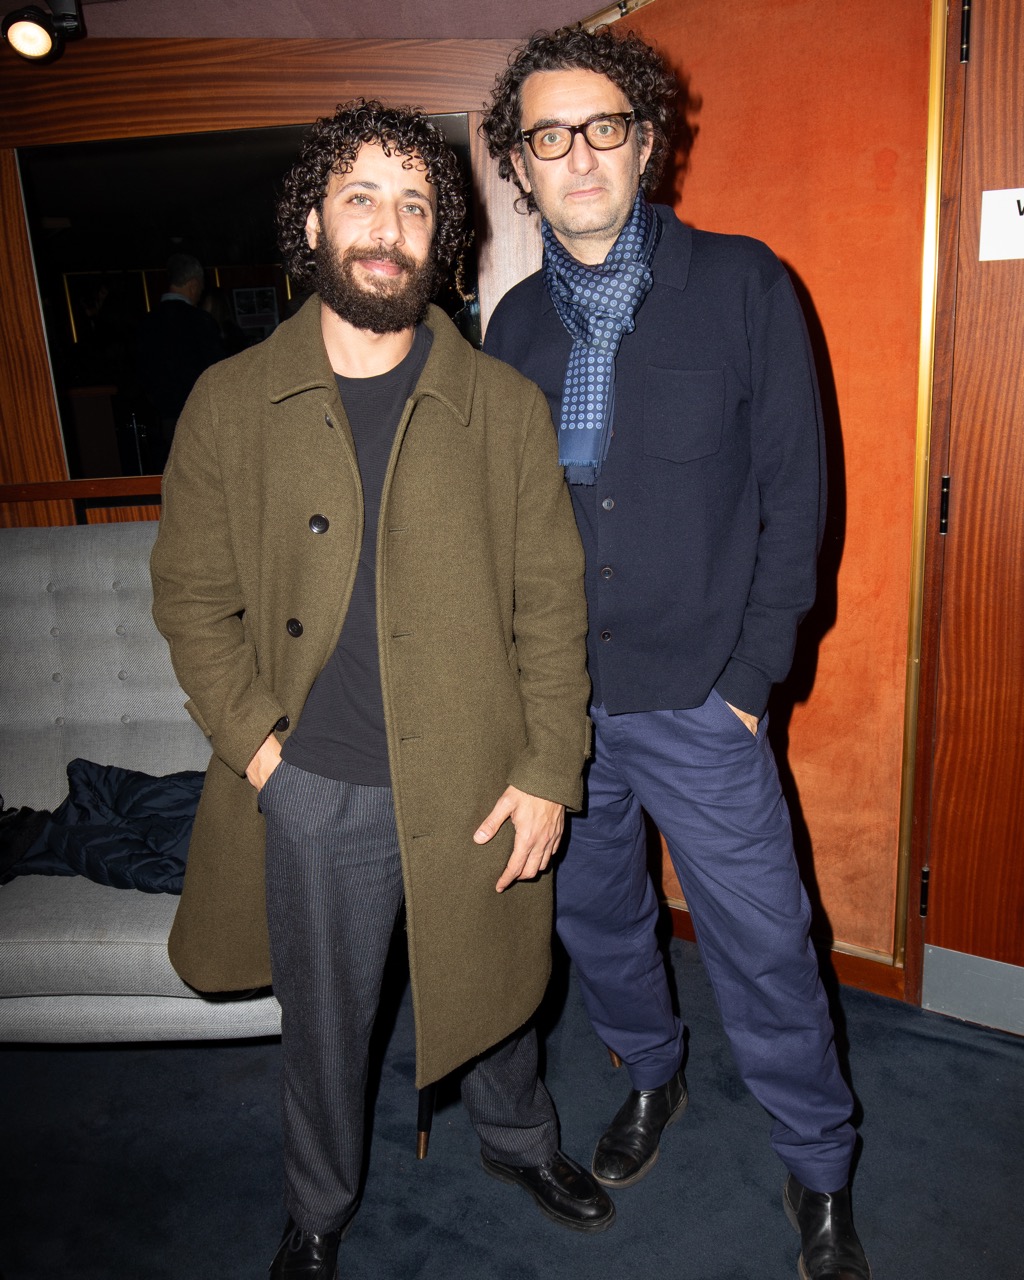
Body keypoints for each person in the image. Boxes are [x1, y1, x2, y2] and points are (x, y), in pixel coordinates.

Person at [151, 100, 613, 1279]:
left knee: (499, 981)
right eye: (359, 195)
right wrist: (268, 760)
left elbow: (551, 607)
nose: (387, 225)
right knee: (324, 1025)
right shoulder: (226, 403)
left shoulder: (503, 408)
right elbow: (193, 604)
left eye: (414, 203)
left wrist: (546, 770)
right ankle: (317, 1205)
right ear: (313, 222)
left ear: (436, 237)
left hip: (478, 771)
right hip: (316, 782)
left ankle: (520, 1139)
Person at [481, 28, 870, 1280]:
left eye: (603, 126)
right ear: (519, 165)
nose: (578, 155)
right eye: (549, 135)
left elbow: (795, 497)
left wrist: (747, 683)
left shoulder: (745, 283)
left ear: (645, 141)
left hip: (702, 699)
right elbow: (503, 526)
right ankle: (652, 1073)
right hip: (563, 707)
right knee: (598, 921)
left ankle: (819, 1162)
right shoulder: (513, 326)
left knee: (765, 943)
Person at [134, 251, 225, 464]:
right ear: (194, 284)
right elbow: (219, 371)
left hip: (158, 419)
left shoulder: (146, 323)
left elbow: (140, 372)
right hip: (198, 419)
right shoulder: (200, 321)